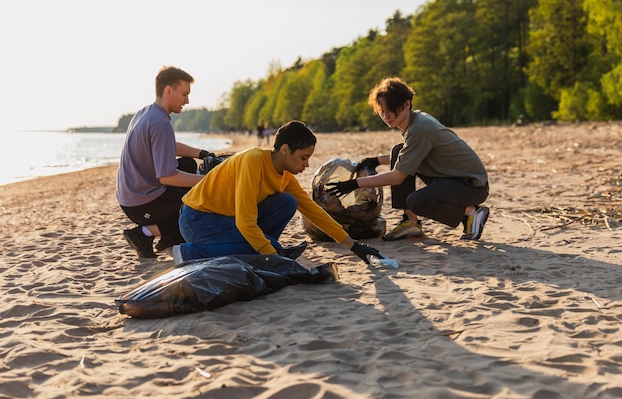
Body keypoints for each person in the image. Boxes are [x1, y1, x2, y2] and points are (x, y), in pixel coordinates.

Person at [172, 120, 382, 265]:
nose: (307, 164)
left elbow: (312, 211)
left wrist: (353, 245)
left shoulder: (285, 176)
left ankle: (261, 250)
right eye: (303, 157)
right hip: (198, 219)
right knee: (265, 247)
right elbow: (245, 222)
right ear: (284, 150)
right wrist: (273, 256)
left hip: (227, 218)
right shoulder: (253, 161)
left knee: (287, 202)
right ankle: (187, 254)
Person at [325, 77, 490, 241]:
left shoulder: (420, 128)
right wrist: (375, 160)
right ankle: (411, 222)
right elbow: (408, 155)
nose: (386, 115)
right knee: (398, 151)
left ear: (406, 104)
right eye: (381, 110)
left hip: (472, 186)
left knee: (416, 201)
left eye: (390, 109)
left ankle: (471, 213)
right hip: (450, 179)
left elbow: (397, 177)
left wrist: (354, 184)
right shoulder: (415, 122)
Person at [116, 66, 215, 258]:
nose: (187, 101)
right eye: (184, 94)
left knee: (188, 164)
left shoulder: (146, 112)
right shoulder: (160, 123)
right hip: (141, 203)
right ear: (168, 90)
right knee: (198, 207)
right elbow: (167, 176)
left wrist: (202, 153)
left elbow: (167, 144)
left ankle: (167, 238)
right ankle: (143, 233)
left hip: (130, 196)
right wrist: (208, 180)